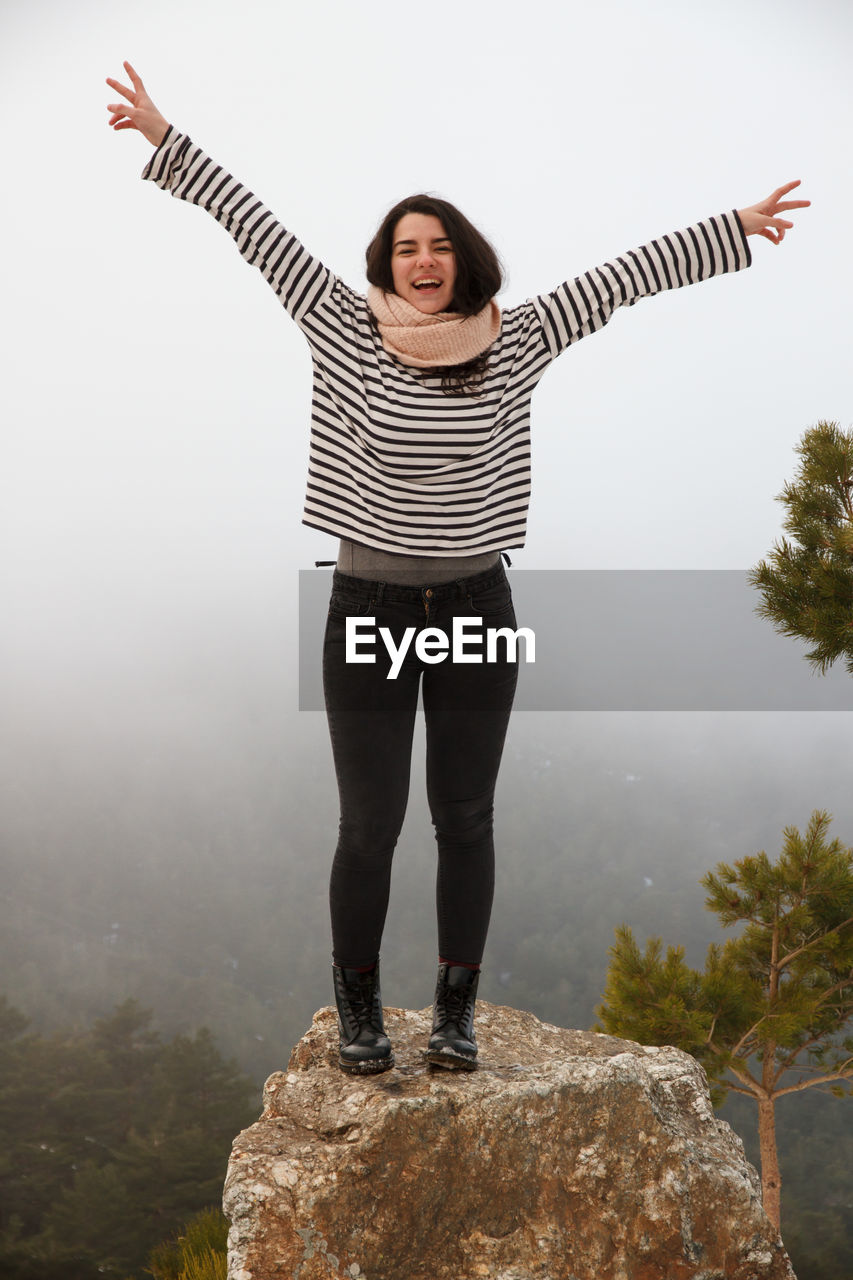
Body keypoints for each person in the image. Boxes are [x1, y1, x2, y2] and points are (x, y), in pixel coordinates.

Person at [106, 61, 810, 1075]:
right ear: (384, 264)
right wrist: (165, 137)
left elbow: (619, 278)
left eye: (439, 245)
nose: (424, 259)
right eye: (406, 247)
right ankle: (356, 1007)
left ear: (463, 258)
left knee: (466, 816)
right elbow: (253, 228)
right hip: (366, 605)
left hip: (477, 601)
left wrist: (733, 226)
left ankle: (453, 1012)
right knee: (368, 823)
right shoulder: (342, 327)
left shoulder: (513, 339)